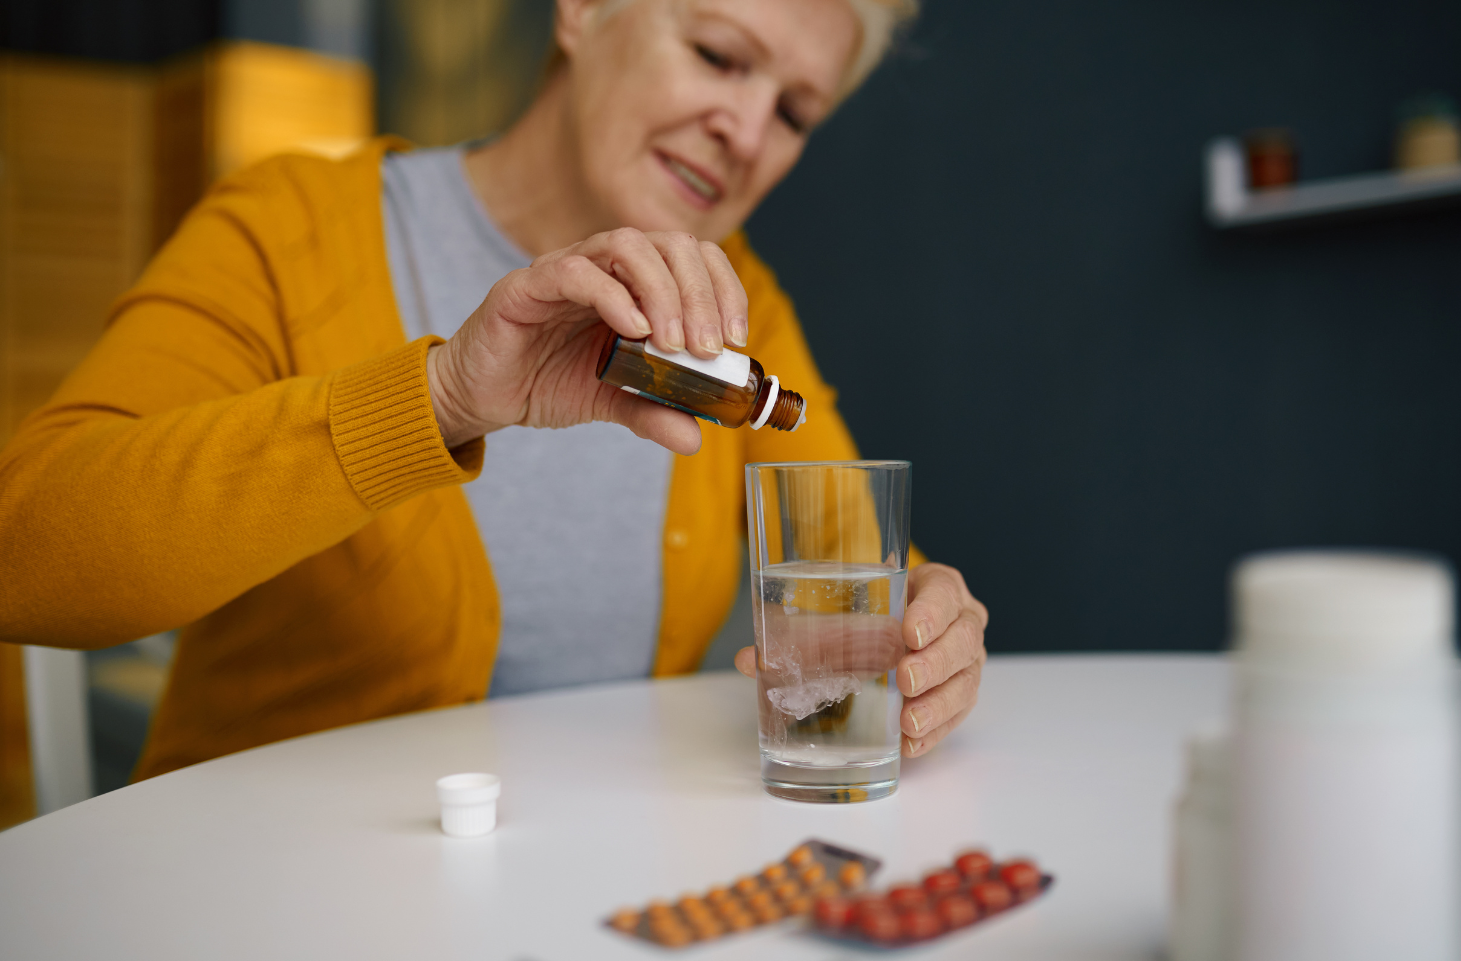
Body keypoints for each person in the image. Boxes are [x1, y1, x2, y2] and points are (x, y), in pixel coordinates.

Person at [0, 0, 987, 780]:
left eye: (794, 112)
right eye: (721, 55)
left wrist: (924, 623)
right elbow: (27, 551)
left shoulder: (739, 312)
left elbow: (850, 550)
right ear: (581, 8)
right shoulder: (288, 229)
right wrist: (437, 397)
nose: (745, 129)